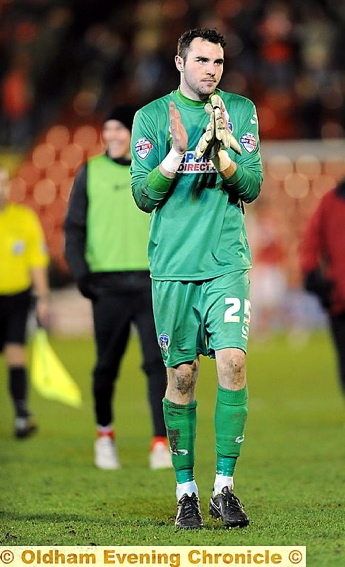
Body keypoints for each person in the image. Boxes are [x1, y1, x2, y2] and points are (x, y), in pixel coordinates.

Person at [131, 28, 263, 528]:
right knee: (181, 378)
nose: (212, 69)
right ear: (180, 62)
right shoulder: (151, 118)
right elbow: (144, 195)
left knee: (233, 361)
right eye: (203, 60)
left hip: (227, 261)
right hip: (173, 268)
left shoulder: (241, 112)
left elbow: (252, 184)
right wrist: (175, 155)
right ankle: (186, 491)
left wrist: (223, 156)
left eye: (219, 62)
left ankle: (224, 489)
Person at [64, 105, 172, 471]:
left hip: (148, 281)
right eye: (107, 128)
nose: (112, 135)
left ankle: (160, 442)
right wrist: (81, 274)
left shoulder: (154, 171)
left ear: (133, 133)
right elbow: (74, 227)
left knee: (157, 364)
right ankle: (105, 435)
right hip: (107, 285)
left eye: (119, 128)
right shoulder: (90, 172)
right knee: (106, 366)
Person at [0, 166, 50, 438]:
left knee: (16, 353)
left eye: (3, 183)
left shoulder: (24, 218)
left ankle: (21, 413)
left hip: (17, 297)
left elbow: (37, 261)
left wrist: (42, 298)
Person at [300, 178, 345, 396]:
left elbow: (310, 242)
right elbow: (311, 242)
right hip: (339, 297)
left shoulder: (331, 200)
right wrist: (313, 277)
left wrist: (311, 274)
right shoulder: (330, 201)